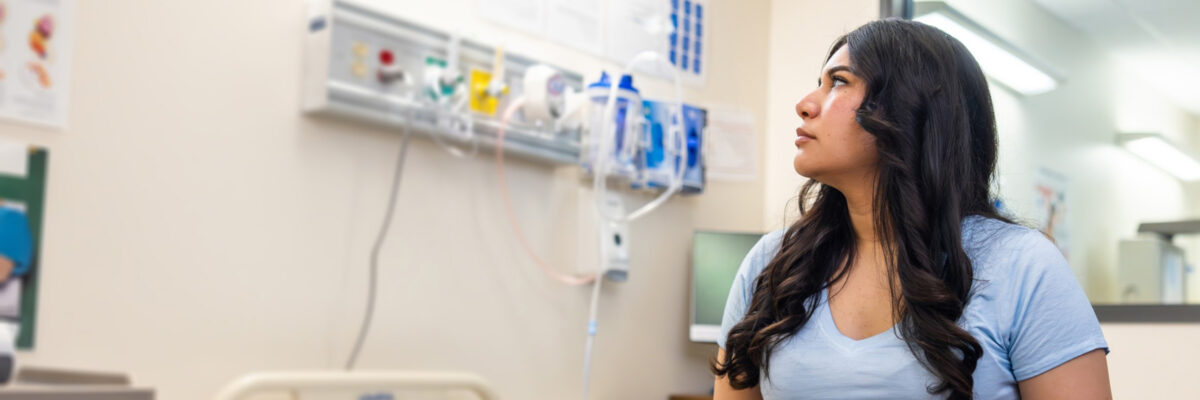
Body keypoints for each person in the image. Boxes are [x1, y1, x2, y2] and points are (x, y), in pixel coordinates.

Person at [710, 19, 1110, 399]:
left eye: (839, 82)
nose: (805, 104)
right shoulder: (773, 263)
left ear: (908, 108)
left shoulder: (1021, 265)